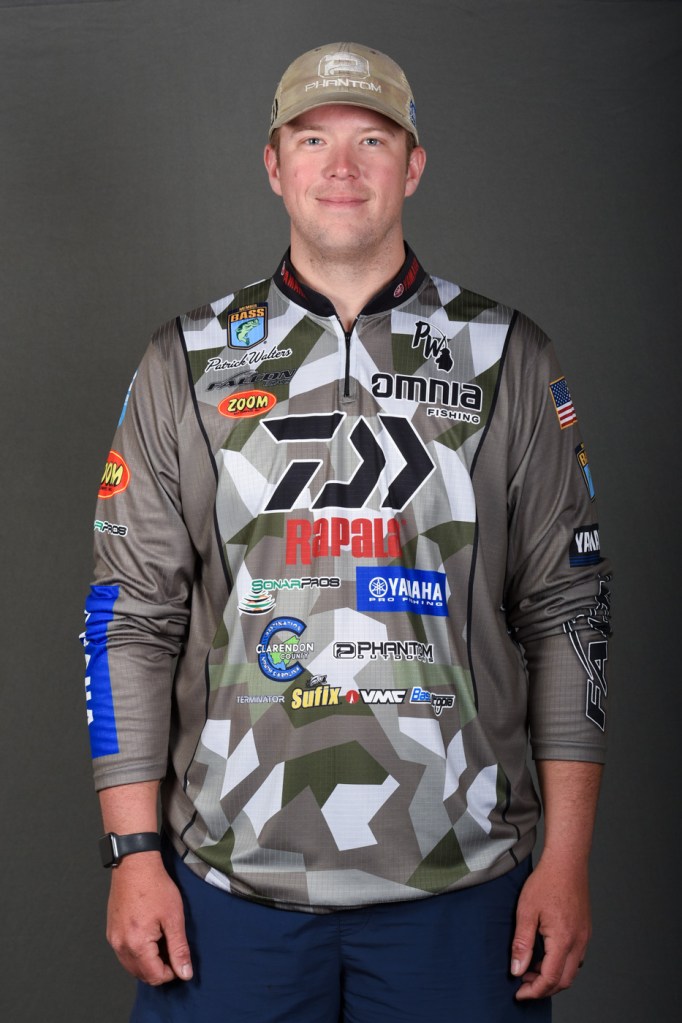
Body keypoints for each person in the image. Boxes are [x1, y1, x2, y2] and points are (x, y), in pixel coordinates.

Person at [82, 42, 611, 1022]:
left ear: (412, 165)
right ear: (273, 164)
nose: (341, 166)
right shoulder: (186, 360)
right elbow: (129, 615)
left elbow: (568, 611)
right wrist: (133, 852)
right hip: (228, 884)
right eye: (312, 139)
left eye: (371, 140)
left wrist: (567, 860)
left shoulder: (505, 355)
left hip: (463, 880)